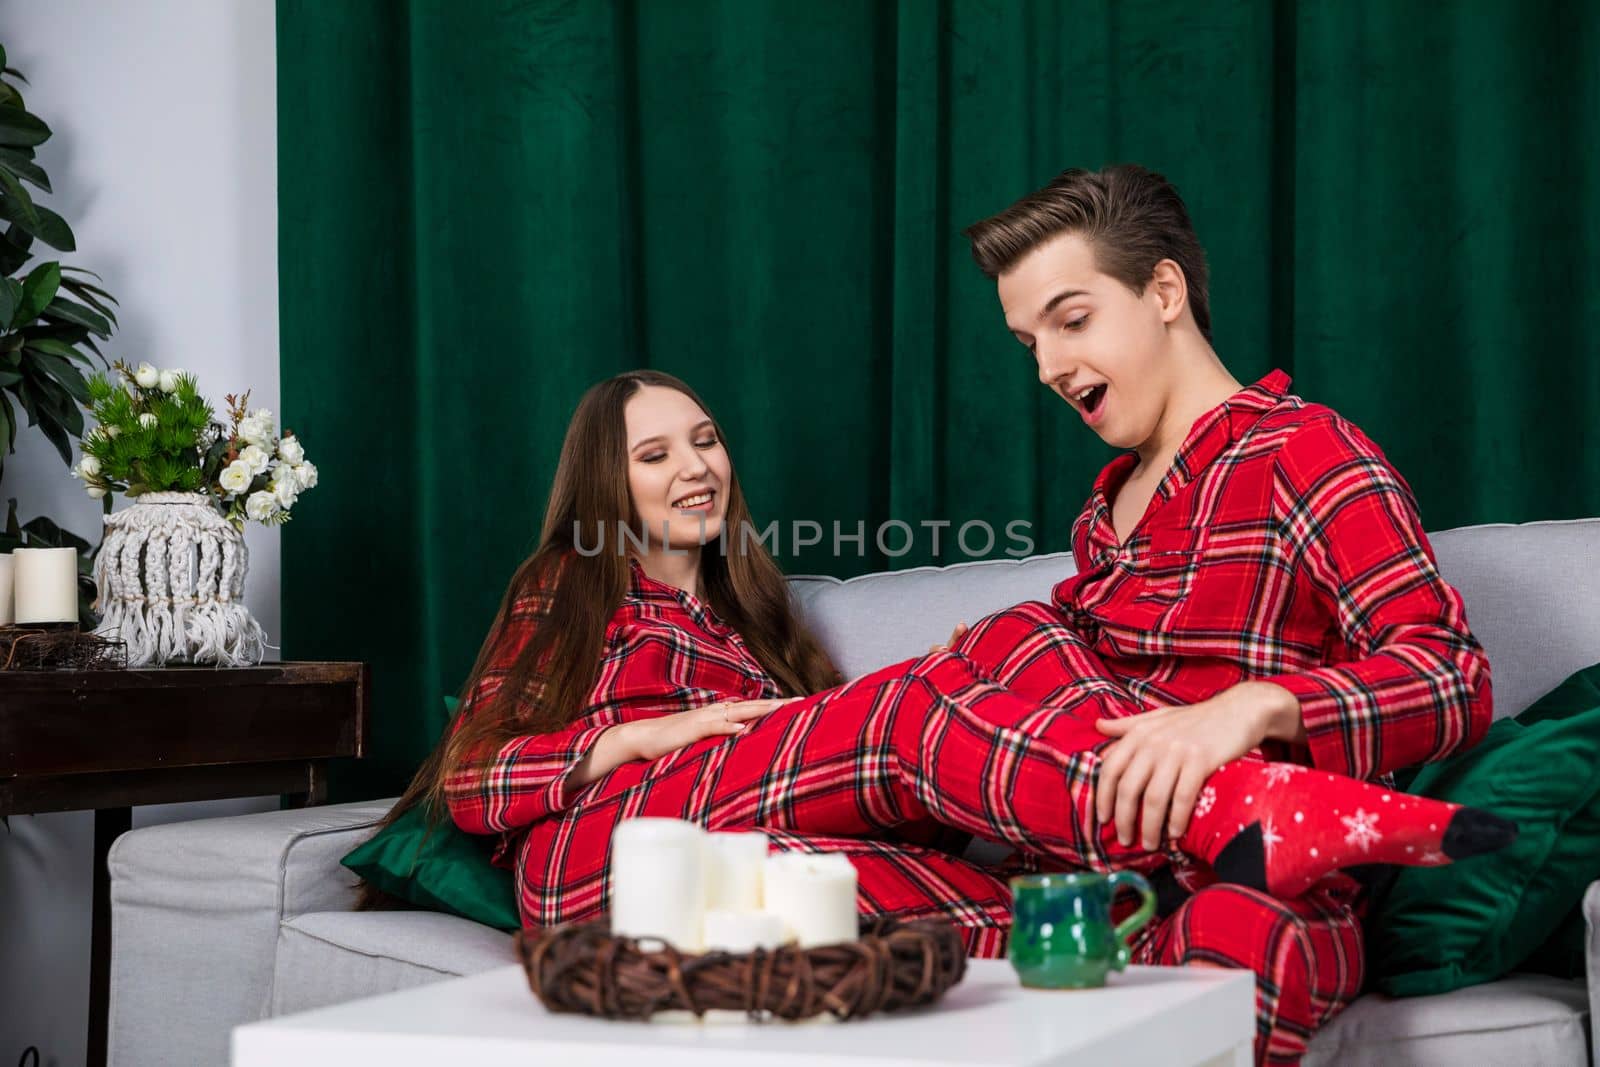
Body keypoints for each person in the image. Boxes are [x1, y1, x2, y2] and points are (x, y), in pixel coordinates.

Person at [370, 368, 1509, 1048]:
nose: (695, 466)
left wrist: (971, 669)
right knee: (917, 716)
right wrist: (634, 731)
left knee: (1033, 858)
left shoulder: (762, 618)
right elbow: (469, 780)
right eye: (656, 452)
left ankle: (1207, 891)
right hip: (610, 857)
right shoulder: (571, 584)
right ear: (605, 483)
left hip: (754, 864)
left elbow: (851, 788)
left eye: (706, 440)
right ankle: (1234, 804)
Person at [954, 162, 1499, 1064]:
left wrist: (1256, 707)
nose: (1048, 367)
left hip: (1256, 885)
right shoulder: (1102, 514)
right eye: (1028, 344)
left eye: (1072, 320)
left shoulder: (1306, 452)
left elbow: (1451, 675)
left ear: (1163, 289)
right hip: (1091, 886)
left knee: (1239, 936)